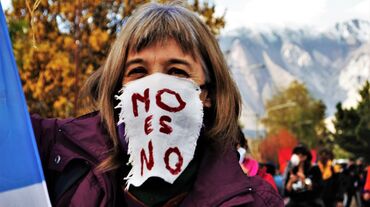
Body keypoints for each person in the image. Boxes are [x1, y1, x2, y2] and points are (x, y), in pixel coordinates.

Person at [30, 2, 283, 206]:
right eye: (138, 72)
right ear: (118, 89)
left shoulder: (256, 202)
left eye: (177, 72)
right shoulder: (53, 155)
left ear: (208, 94)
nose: (156, 88)